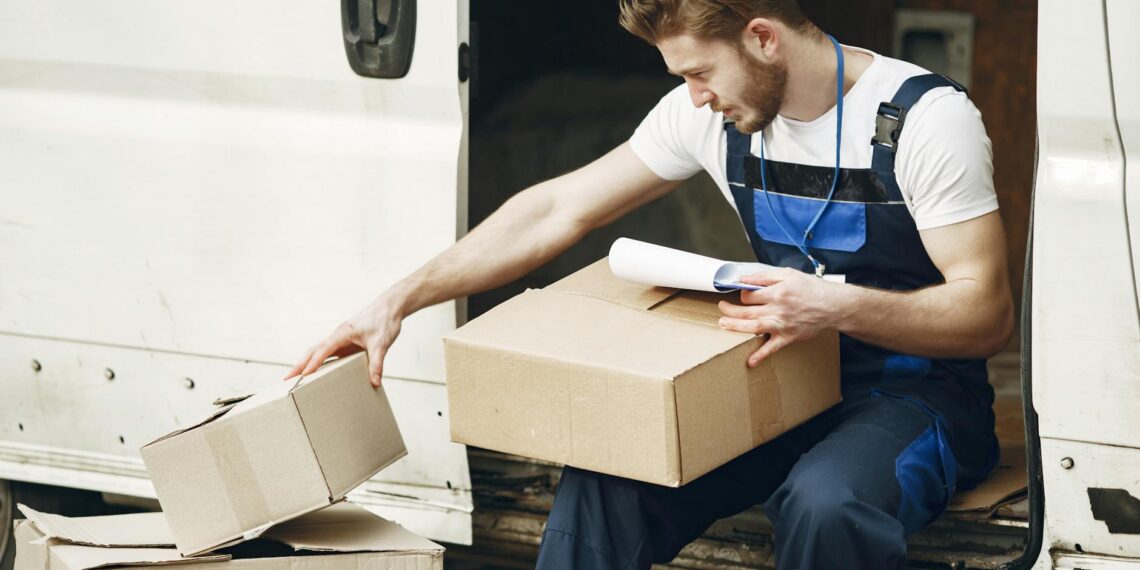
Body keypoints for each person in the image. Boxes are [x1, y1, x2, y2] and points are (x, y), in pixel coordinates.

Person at [287, 1, 1014, 567]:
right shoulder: (714, 116)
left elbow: (985, 314)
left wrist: (834, 306)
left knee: (826, 505)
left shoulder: (923, 119)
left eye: (699, 73)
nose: (694, 98)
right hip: (780, 377)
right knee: (606, 480)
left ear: (762, 37)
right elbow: (553, 209)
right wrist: (396, 302)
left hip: (919, 397)